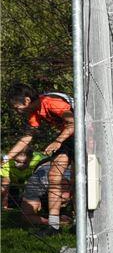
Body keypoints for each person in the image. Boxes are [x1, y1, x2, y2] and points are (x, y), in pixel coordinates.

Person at [4, 84, 75, 232]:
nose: (17, 111)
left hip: (86, 135)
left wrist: (58, 141)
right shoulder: (35, 111)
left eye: (17, 107)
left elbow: (74, 122)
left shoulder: (51, 103)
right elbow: (27, 138)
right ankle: (54, 225)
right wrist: (5, 159)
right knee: (54, 175)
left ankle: (79, 222)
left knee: (78, 179)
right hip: (69, 138)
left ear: (27, 100)